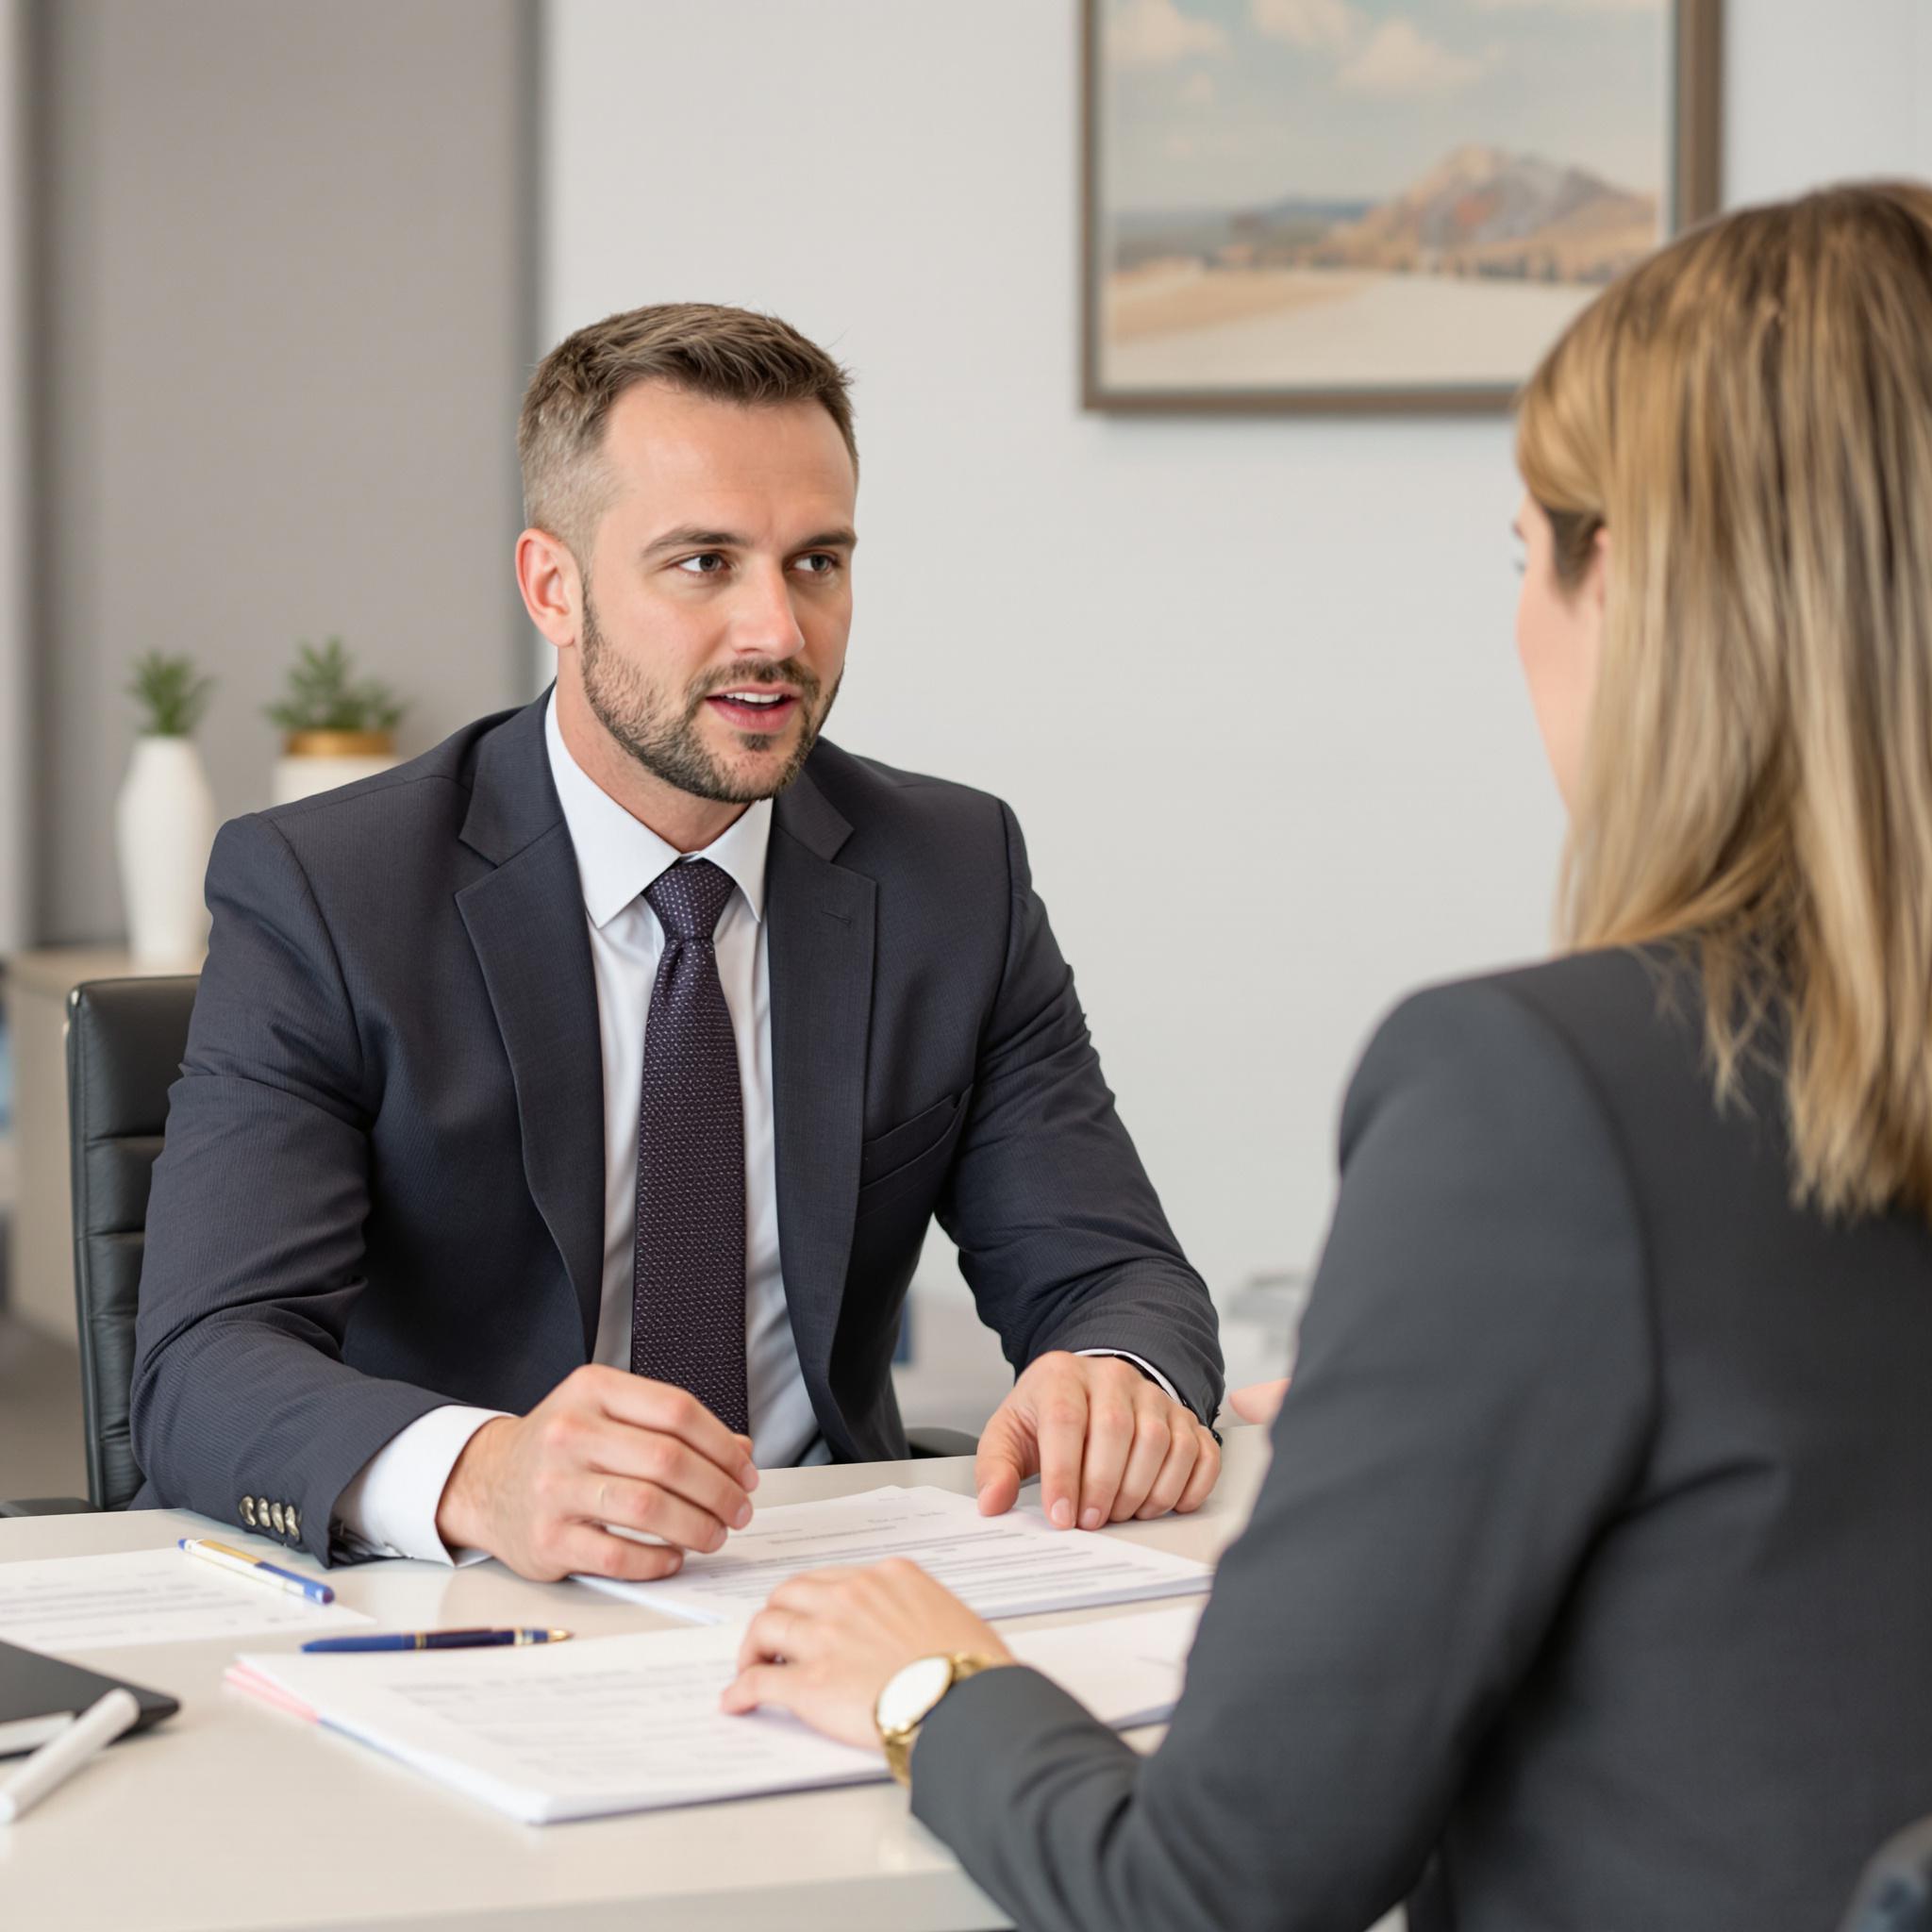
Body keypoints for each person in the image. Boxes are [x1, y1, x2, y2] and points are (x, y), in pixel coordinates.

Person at [718, 184, 1932, 1929]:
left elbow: (1216, 1891)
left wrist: (930, 1685)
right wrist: (1441, 1411)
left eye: (1525, 554)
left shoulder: (1541, 1096)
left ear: (1644, 591)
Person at [130, 302, 1224, 1578]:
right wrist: (483, 1476)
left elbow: (1115, 1275)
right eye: (704, 563)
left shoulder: (951, 874)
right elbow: (201, 1366)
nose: (777, 632)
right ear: (556, 586)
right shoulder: (330, 891)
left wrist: (1114, 1378)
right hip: (458, 1600)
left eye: (816, 562)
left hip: (823, 1579)